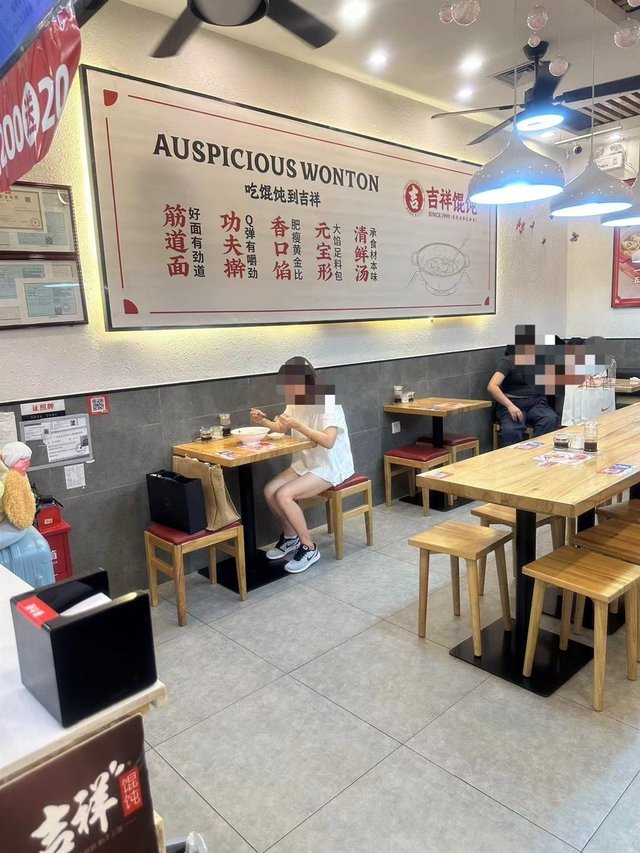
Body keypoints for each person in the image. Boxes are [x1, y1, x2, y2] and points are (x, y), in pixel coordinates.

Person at [250, 356, 354, 573]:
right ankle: (290, 537)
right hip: (305, 462)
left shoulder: (327, 402)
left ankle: (309, 547)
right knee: (269, 490)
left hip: (329, 465)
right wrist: (264, 421)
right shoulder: (295, 400)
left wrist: (298, 426)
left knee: (283, 495)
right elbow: (281, 427)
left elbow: (328, 441)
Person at [487, 345, 560, 446]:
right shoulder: (508, 362)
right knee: (511, 430)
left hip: (536, 403)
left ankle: (537, 451)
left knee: (550, 419)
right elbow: (492, 386)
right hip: (513, 403)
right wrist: (510, 406)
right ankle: (513, 455)